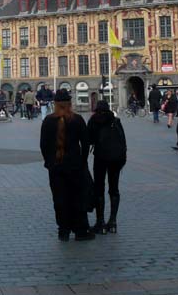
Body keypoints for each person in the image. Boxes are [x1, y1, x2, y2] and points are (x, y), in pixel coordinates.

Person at [40, 89, 94, 242]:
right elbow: (86, 143)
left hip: (56, 166)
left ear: (55, 104)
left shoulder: (48, 121)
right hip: (75, 165)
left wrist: (49, 161)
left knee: (59, 198)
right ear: (70, 104)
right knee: (78, 197)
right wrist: (83, 161)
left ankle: (63, 231)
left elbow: (43, 145)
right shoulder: (77, 119)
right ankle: (80, 231)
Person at [87, 100, 126, 234]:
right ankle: (113, 221)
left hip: (100, 158)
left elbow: (89, 140)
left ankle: (100, 222)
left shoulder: (93, 120)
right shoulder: (116, 120)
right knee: (114, 189)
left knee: (99, 188)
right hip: (116, 159)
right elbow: (123, 141)